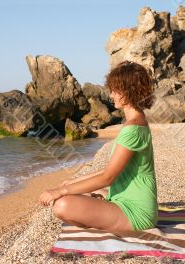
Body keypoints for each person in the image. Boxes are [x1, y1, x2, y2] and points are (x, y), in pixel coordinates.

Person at [38, 60, 158, 233]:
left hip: (136, 212)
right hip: (123, 197)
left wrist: (60, 191)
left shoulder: (133, 128)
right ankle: (100, 210)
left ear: (127, 92)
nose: (112, 95)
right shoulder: (135, 122)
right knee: (72, 188)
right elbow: (109, 171)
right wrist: (71, 182)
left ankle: (100, 214)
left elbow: (107, 178)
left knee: (61, 205)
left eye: (115, 90)